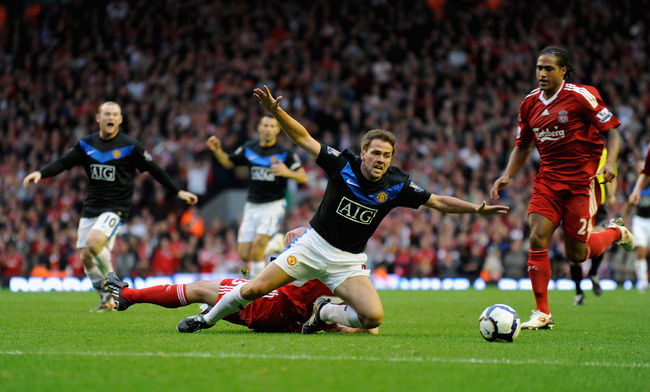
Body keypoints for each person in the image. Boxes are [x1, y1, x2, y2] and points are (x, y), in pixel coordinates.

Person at [176, 85, 509, 334]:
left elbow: (437, 201)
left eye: (387, 156)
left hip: (347, 262)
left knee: (373, 318)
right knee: (253, 289)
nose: (381, 160)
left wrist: (475, 210)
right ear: (363, 152)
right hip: (312, 246)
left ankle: (325, 313)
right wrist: (276, 112)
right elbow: (304, 138)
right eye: (375, 153)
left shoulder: (396, 185)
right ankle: (205, 318)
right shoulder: (342, 164)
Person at [490, 46, 634, 329]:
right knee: (537, 238)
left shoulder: (581, 97)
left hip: (582, 183)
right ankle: (542, 312)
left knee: (576, 255)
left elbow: (613, 133)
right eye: (538, 68)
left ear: (563, 70)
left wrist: (611, 163)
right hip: (548, 182)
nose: (541, 74)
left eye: (548, 69)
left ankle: (617, 232)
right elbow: (523, 146)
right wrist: (506, 175)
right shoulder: (529, 103)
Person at [23, 101, 198, 312]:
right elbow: (63, 162)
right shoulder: (86, 145)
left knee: (94, 242)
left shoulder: (130, 146)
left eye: (115, 114)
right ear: (98, 117)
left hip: (116, 206)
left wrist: (178, 192)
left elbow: (155, 169)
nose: (110, 118)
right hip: (91, 206)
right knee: (86, 256)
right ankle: (105, 298)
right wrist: (40, 173)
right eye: (106, 114)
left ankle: (116, 286)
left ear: (120, 119)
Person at [105, 228, 377, 334]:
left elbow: (291, 244)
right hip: (299, 316)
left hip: (276, 305)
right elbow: (370, 324)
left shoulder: (319, 247)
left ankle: (128, 297)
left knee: (202, 289)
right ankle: (321, 316)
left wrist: (292, 243)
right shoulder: (356, 264)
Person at [206, 113, 308, 278]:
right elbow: (228, 162)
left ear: (277, 130)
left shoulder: (285, 153)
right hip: (252, 206)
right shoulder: (249, 149)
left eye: (272, 126)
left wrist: (287, 172)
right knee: (245, 253)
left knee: (258, 247)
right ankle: (274, 244)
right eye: (265, 126)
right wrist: (217, 150)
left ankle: (255, 286)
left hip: (274, 204)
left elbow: (303, 176)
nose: (268, 129)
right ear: (259, 128)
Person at [571, 149, 616, 305]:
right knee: (575, 253)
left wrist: (611, 194)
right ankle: (578, 292)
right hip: (577, 206)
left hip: (599, 205)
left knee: (600, 240)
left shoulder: (604, 153)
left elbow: (612, 174)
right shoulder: (573, 148)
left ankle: (593, 272)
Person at [626, 151, 650, 292]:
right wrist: (624, 218)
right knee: (640, 251)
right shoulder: (635, 187)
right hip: (640, 220)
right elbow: (629, 204)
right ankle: (643, 283)